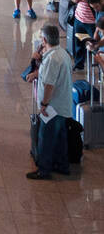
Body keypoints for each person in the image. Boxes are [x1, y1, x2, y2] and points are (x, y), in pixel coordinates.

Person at [28, 24, 73, 180]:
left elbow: (49, 85)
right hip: (63, 105)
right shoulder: (63, 53)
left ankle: (44, 169)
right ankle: (62, 165)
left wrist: (44, 104)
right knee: (60, 137)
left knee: (45, 138)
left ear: (45, 39)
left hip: (52, 107)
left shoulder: (52, 59)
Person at [68, 0, 104, 70]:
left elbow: (101, 3)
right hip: (79, 18)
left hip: (92, 21)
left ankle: (97, 65)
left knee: (94, 43)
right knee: (78, 43)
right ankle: (79, 64)